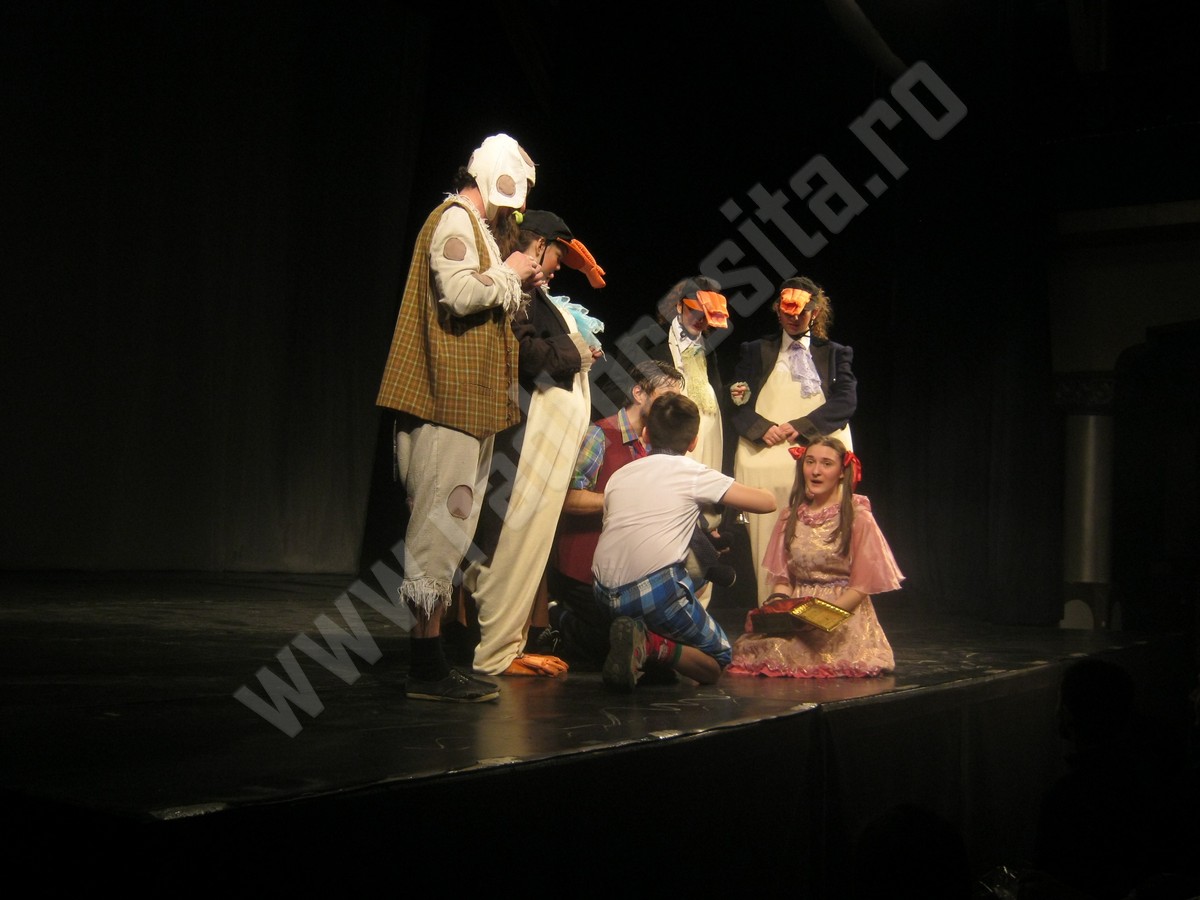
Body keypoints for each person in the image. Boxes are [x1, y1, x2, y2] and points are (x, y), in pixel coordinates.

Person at [374, 133, 540, 702]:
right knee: (437, 530)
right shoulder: (454, 220)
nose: (515, 207)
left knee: (452, 528)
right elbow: (460, 293)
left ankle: (433, 660)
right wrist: (511, 272)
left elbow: (482, 292)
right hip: (446, 400)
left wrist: (516, 277)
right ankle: (425, 669)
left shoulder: (477, 229)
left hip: (467, 402)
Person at [463, 209, 606, 678]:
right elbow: (526, 354)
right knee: (517, 534)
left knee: (531, 537)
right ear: (539, 245)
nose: (560, 265)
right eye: (557, 254)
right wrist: (578, 351)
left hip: (550, 434)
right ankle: (496, 652)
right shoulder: (517, 290)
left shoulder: (534, 293)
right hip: (530, 432)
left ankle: (509, 643)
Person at [591, 393, 777, 691]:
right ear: (693, 442)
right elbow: (767, 503)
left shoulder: (619, 476)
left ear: (646, 434)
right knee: (718, 658)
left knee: (690, 574)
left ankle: (642, 641)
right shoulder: (692, 473)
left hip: (602, 595)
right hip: (652, 592)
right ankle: (651, 645)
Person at [726, 436, 902, 678]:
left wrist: (820, 618)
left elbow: (861, 587)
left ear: (841, 472)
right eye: (810, 462)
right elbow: (783, 580)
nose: (816, 471)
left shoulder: (857, 517)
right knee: (758, 650)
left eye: (826, 464)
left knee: (823, 658)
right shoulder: (790, 517)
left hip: (842, 614)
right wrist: (777, 611)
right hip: (799, 612)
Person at [547, 359, 685, 666]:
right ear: (639, 393)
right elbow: (567, 498)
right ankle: (556, 618)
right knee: (609, 644)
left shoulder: (656, 444)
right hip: (584, 571)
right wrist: (622, 500)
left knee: (654, 653)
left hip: (629, 573)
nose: (673, 406)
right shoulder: (600, 434)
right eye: (667, 396)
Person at [730, 277, 857, 606]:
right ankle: (771, 608)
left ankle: (820, 609)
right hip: (766, 454)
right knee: (768, 533)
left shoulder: (835, 353)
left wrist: (800, 428)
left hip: (817, 452)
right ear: (778, 310)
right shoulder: (755, 350)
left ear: (815, 312)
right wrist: (761, 428)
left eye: (801, 312)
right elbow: (736, 399)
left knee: (821, 533)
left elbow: (845, 401)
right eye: (788, 311)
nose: (794, 318)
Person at [650, 276, 733, 607]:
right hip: (675, 436)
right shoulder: (654, 344)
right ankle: (669, 599)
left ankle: (700, 601)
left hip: (710, 433)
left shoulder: (708, 349)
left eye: (706, 314)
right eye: (694, 311)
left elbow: (712, 388)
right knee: (676, 505)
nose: (700, 319)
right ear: (678, 306)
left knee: (707, 505)